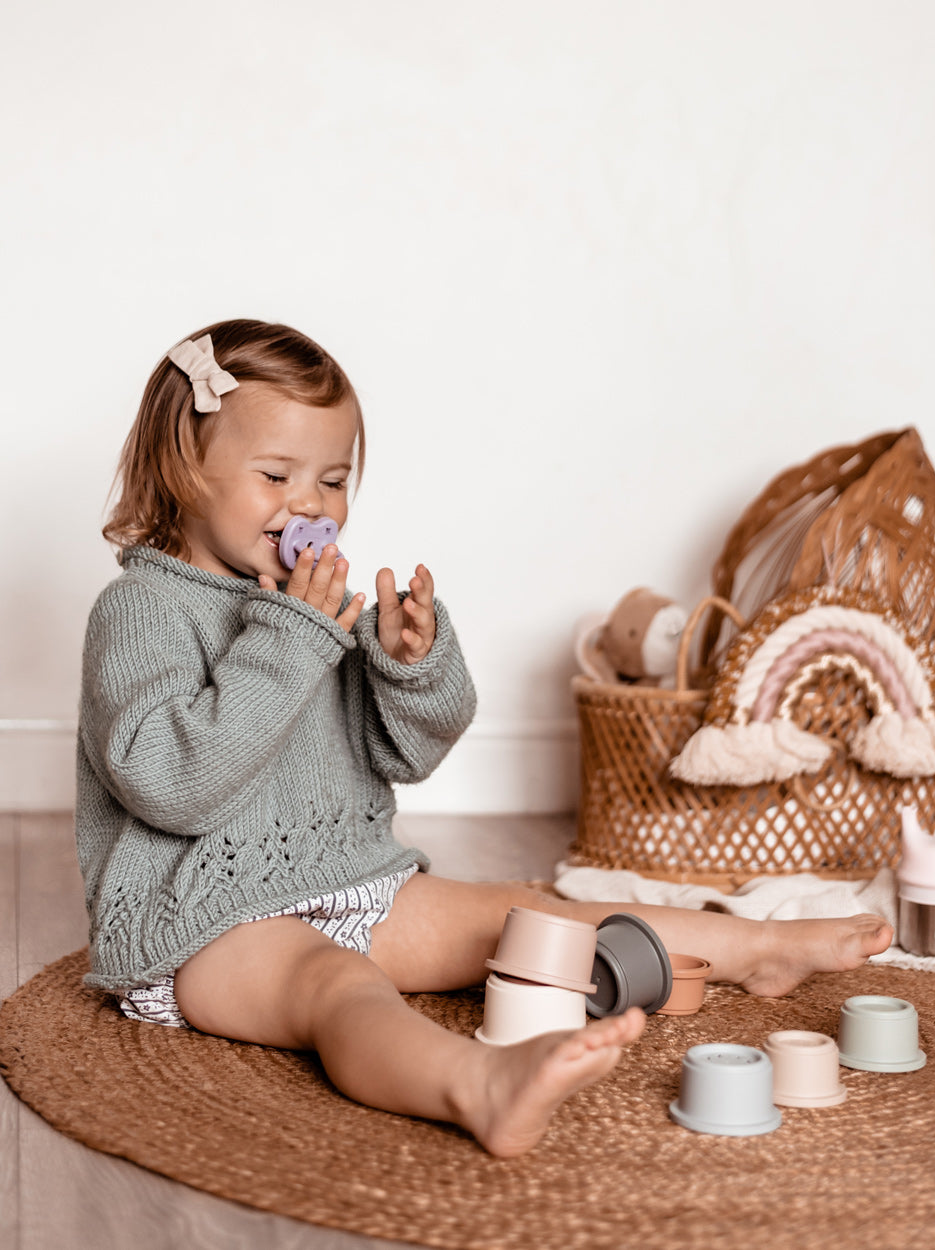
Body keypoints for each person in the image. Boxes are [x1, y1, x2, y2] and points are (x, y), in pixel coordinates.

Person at [76, 319, 893, 1158]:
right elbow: (171, 782)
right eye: (277, 474)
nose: (311, 506)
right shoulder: (144, 613)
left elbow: (405, 755)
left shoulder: (311, 607)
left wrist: (409, 666)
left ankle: (755, 949)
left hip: (352, 885)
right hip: (204, 931)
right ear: (184, 466)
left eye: (332, 478)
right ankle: (479, 1086)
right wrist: (291, 639)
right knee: (336, 984)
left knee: (536, 917)